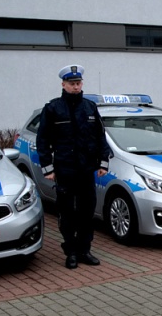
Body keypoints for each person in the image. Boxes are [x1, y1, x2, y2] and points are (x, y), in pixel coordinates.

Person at [36, 64, 112, 269]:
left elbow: (100, 137)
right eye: (71, 84)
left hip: (86, 170)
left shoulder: (90, 107)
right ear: (63, 84)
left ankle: (85, 250)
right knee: (67, 212)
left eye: (78, 83)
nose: (76, 87)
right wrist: (48, 169)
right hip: (65, 170)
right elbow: (42, 141)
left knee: (87, 212)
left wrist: (103, 162)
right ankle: (70, 252)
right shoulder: (53, 108)